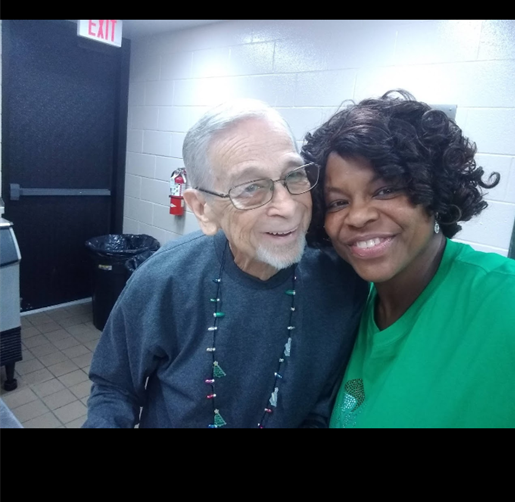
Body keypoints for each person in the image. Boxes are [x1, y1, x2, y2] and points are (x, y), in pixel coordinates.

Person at [82, 100, 368, 427]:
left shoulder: (341, 280)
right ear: (203, 208)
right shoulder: (164, 280)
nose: (288, 207)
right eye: (250, 188)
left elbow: (324, 399)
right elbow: (113, 387)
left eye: (294, 175)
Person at [301, 90, 515, 429]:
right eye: (338, 203)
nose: (357, 217)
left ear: (434, 190)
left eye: (385, 190)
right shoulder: (345, 306)